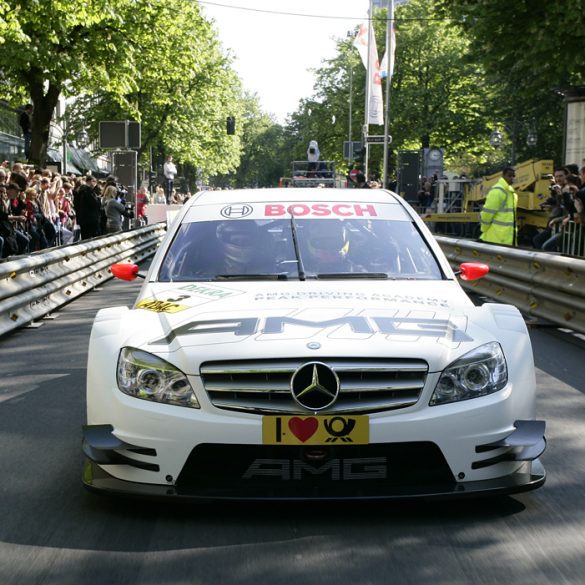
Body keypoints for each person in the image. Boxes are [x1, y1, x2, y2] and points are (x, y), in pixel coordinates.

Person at [479, 166, 517, 246]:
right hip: (495, 238)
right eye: (509, 176)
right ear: (503, 176)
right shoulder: (497, 191)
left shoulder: (511, 192)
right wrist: (484, 229)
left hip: (506, 238)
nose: (512, 178)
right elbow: (487, 214)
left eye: (513, 176)